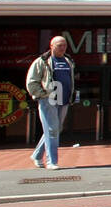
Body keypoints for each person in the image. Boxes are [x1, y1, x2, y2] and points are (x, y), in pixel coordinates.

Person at [26, 34, 75, 170]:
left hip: (63, 99)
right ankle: (51, 161)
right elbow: (32, 82)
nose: (63, 48)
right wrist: (42, 95)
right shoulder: (42, 61)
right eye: (60, 45)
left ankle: (36, 155)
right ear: (52, 46)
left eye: (65, 45)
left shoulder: (68, 60)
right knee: (52, 129)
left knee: (55, 129)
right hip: (49, 99)